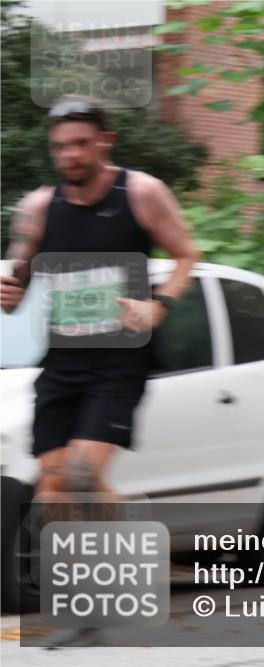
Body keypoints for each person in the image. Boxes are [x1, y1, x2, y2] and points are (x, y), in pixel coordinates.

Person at [0, 96, 200, 646]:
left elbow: (187, 255)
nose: (70, 155)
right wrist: (9, 290)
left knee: (83, 477)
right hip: (62, 363)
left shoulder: (140, 192)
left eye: (81, 143)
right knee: (55, 491)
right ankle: (93, 603)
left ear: (104, 141)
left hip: (120, 361)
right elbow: (17, 286)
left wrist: (156, 305)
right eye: (61, 146)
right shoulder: (39, 207)